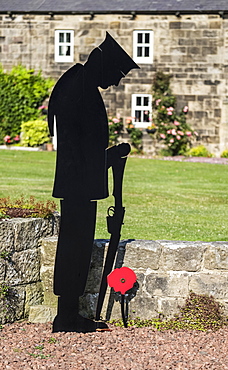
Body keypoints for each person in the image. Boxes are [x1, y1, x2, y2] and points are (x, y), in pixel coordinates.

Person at [48, 32, 140, 332]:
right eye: (115, 75)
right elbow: (78, 149)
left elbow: (82, 145)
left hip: (78, 183)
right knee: (74, 246)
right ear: (101, 64)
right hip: (78, 185)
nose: (115, 83)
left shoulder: (79, 84)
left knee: (77, 245)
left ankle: (68, 314)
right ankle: (66, 316)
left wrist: (107, 157)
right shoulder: (79, 88)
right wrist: (112, 156)